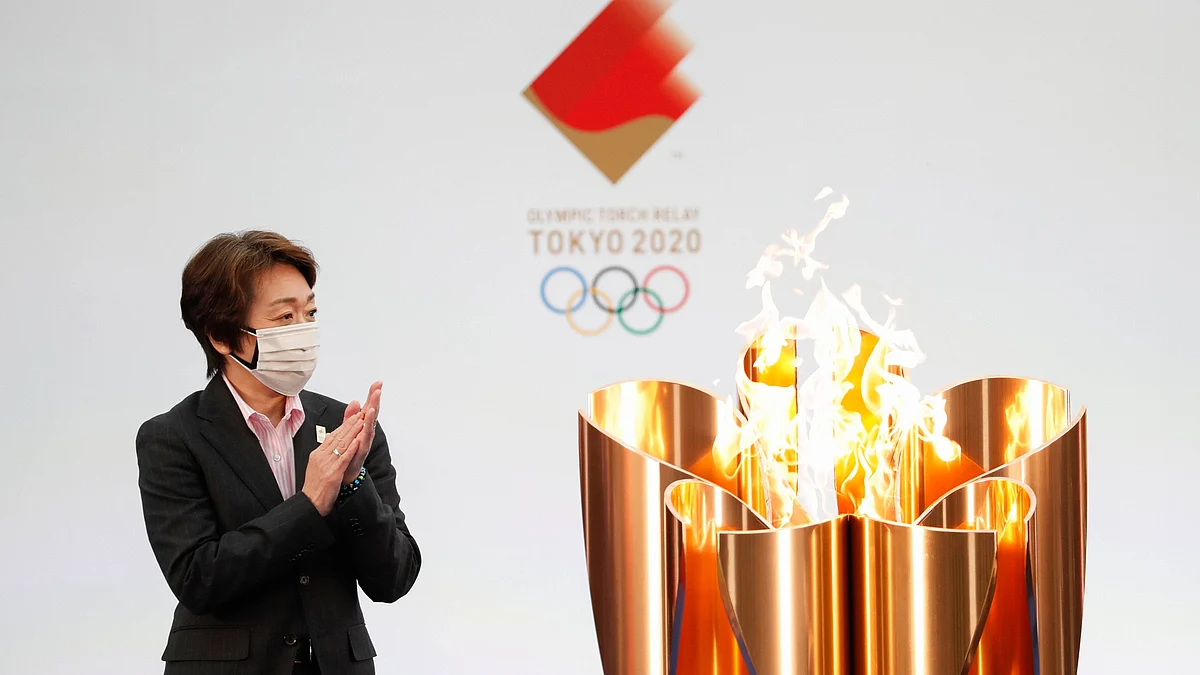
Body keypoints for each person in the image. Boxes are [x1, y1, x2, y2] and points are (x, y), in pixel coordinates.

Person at [136, 231, 421, 675]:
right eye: (284, 317)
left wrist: (352, 485)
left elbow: (395, 578)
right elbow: (198, 579)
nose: (304, 332)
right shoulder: (173, 436)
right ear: (222, 337)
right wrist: (309, 505)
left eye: (309, 313)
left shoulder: (349, 429)